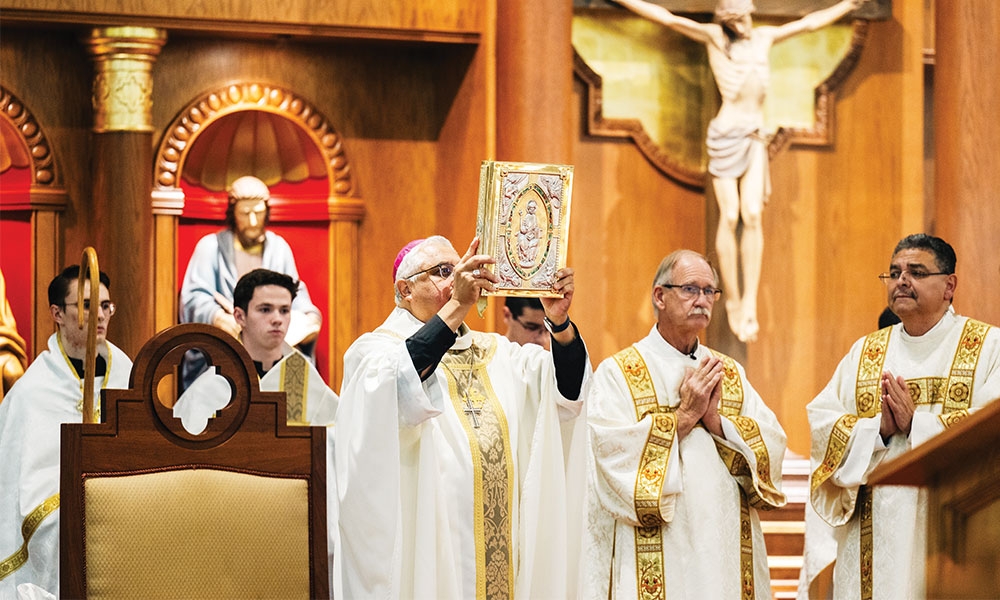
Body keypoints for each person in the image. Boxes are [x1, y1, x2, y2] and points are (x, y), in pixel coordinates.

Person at [334, 235, 589, 599]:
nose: (459, 279)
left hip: (504, 554)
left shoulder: (497, 352)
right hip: (430, 548)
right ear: (405, 289)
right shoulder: (374, 354)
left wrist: (560, 324)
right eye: (443, 272)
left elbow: (565, 393)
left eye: (461, 269)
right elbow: (402, 381)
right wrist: (457, 304)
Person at [612, 0, 866, 343]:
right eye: (735, 18)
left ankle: (749, 303)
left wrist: (847, 5)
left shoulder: (764, 38)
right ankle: (730, 297)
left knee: (753, 214)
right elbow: (667, 18)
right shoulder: (715, 38)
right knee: (730, 216)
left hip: (754, 136)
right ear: (727, 19)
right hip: (724, 134)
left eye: (744, 16)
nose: (742, 24)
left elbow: (808, 24)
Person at [580, 249, 787, 599]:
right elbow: (609, 456)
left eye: (710, 292)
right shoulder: (621, 372)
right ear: (660, 296)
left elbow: (773, 447)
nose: (702, 300)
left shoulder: (728, 371)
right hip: (662, 549)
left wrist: (717, 422)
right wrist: (684, 417)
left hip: (725, 548)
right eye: (691, 289)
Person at [804, 234, 1000, 599]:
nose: (901, 281)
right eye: (893, 273)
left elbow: (992, 431)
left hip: (954, 533)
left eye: (916, 272)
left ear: (949, 285)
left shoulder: (987, 346)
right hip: (871, 538)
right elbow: (823, 423)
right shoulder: (866, 352)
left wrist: (918, 425)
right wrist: (876, 430)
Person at [0, 265, 133, 597]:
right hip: (53, 502)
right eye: (87, 306)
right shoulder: (32, 390)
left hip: (127, 496)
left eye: (106, 306)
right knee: (68, 525)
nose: (100, 315)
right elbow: (17, 478)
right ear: (57, 313)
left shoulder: (127, 372)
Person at [179, 175, 322, 385]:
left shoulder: (278, 248)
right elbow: (194, 298)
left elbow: (296, 295)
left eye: (259, 212)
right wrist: (219, 318)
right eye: (245, 213)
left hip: (273, 347)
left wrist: (310, 319)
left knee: (297, 374)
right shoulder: (210, 247)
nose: (253, 221)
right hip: (227, 347)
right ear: (233, 213)